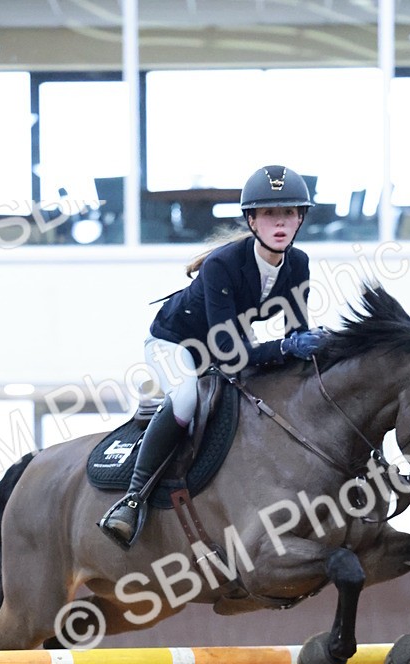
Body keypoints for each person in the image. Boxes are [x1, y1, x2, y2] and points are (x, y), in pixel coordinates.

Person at [98, 164, 327, 548]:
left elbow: (296, 331)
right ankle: (132, 499)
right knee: (186, 397)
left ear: (301, 217)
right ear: (252, 220)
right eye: (270, 213)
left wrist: (320, 349)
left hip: (229, 343)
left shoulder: (299, 264)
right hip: (176, 344)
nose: (281, 222)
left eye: (289, 212)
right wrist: (287, 348)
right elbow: (229, 354)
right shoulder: (223, 265)